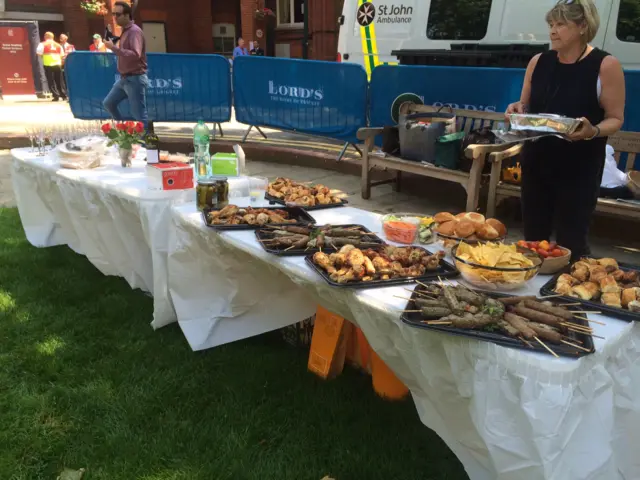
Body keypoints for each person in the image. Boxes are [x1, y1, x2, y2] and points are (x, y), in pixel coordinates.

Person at [505, 0, 625, 260]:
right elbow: (525, 106)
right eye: (551, 24)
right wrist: (517, 108)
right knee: (533, 242)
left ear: (582, 26)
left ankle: (565, 294)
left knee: (571, 245)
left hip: (579, 170)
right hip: (536, 164)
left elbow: (615, 119)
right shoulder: (538, 61)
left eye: (561, 24)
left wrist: (592, 130)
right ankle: (530, 297)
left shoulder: (605, 65)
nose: (553, 31)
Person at [102, 1, 148, 126]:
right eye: (113, 14)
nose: (115, 17)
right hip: (124, 78)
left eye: (118, 14)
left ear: (127, 15)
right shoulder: (126, 31)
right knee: (108, 103)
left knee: (139, 115)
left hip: (135, 78)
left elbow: (135, 54)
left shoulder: (134, 32)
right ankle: (123, 133)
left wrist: (114, 48)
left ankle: (142, 144)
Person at [36, 32, 66, 101]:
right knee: (59, 81)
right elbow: (62, 55)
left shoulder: (42, 44)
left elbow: (38, 53)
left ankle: (56, 96)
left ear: (46, 36)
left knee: (51, 81)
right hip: (57, 64)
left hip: (48, 64)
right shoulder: (58, 45)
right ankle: (63, 95)